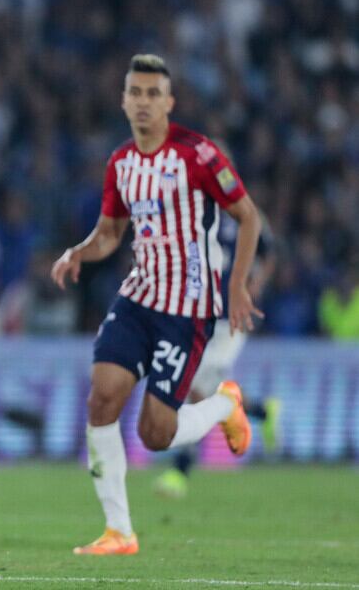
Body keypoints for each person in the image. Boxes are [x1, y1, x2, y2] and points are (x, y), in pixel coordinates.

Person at [50, 54, 263, 556]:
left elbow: (248, 217)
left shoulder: (200, 154)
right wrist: (79, 253)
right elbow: (110, 234)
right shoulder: (121, 163)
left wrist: (236, 287)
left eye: (153, 94)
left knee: (156, 433)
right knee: (102, 398)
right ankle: (119, 531)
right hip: (139, 296)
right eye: (135, 93)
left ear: (169, 102)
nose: (143, 102)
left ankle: (225, 404)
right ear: (124, 100)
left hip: (188, 307)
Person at [154, 208, 280, 499]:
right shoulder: (192, 211)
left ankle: (180, 471)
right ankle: (262, 410)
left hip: (231, 316)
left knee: (194, 388)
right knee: (208, 391)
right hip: (200, 315)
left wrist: (255, 287)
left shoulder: (247, 213)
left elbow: (269, 253)